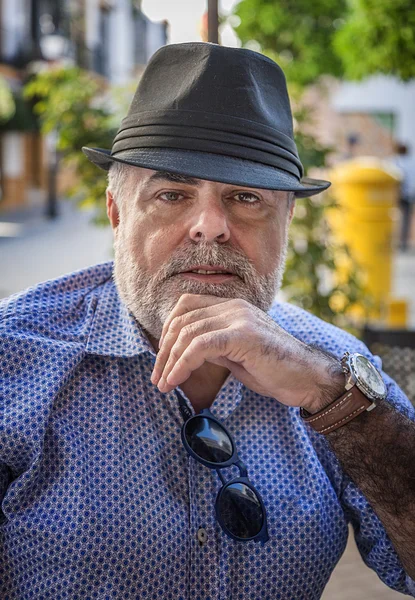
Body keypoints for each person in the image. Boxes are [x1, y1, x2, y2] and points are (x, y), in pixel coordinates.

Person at [1, 43, 414, 599]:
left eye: (245, 197)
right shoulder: (15, 359)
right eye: (173, 194)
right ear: (117, 212)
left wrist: (335, 401)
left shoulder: (334, 370)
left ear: (287, 219)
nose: (210, 227)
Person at [393, 142, 415, 251]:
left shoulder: (394, 161)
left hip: (395, 194)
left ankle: (393, 240)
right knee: (406, 219)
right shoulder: (411, 164)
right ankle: (403, 242)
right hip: (408, 195)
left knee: (393, 217)